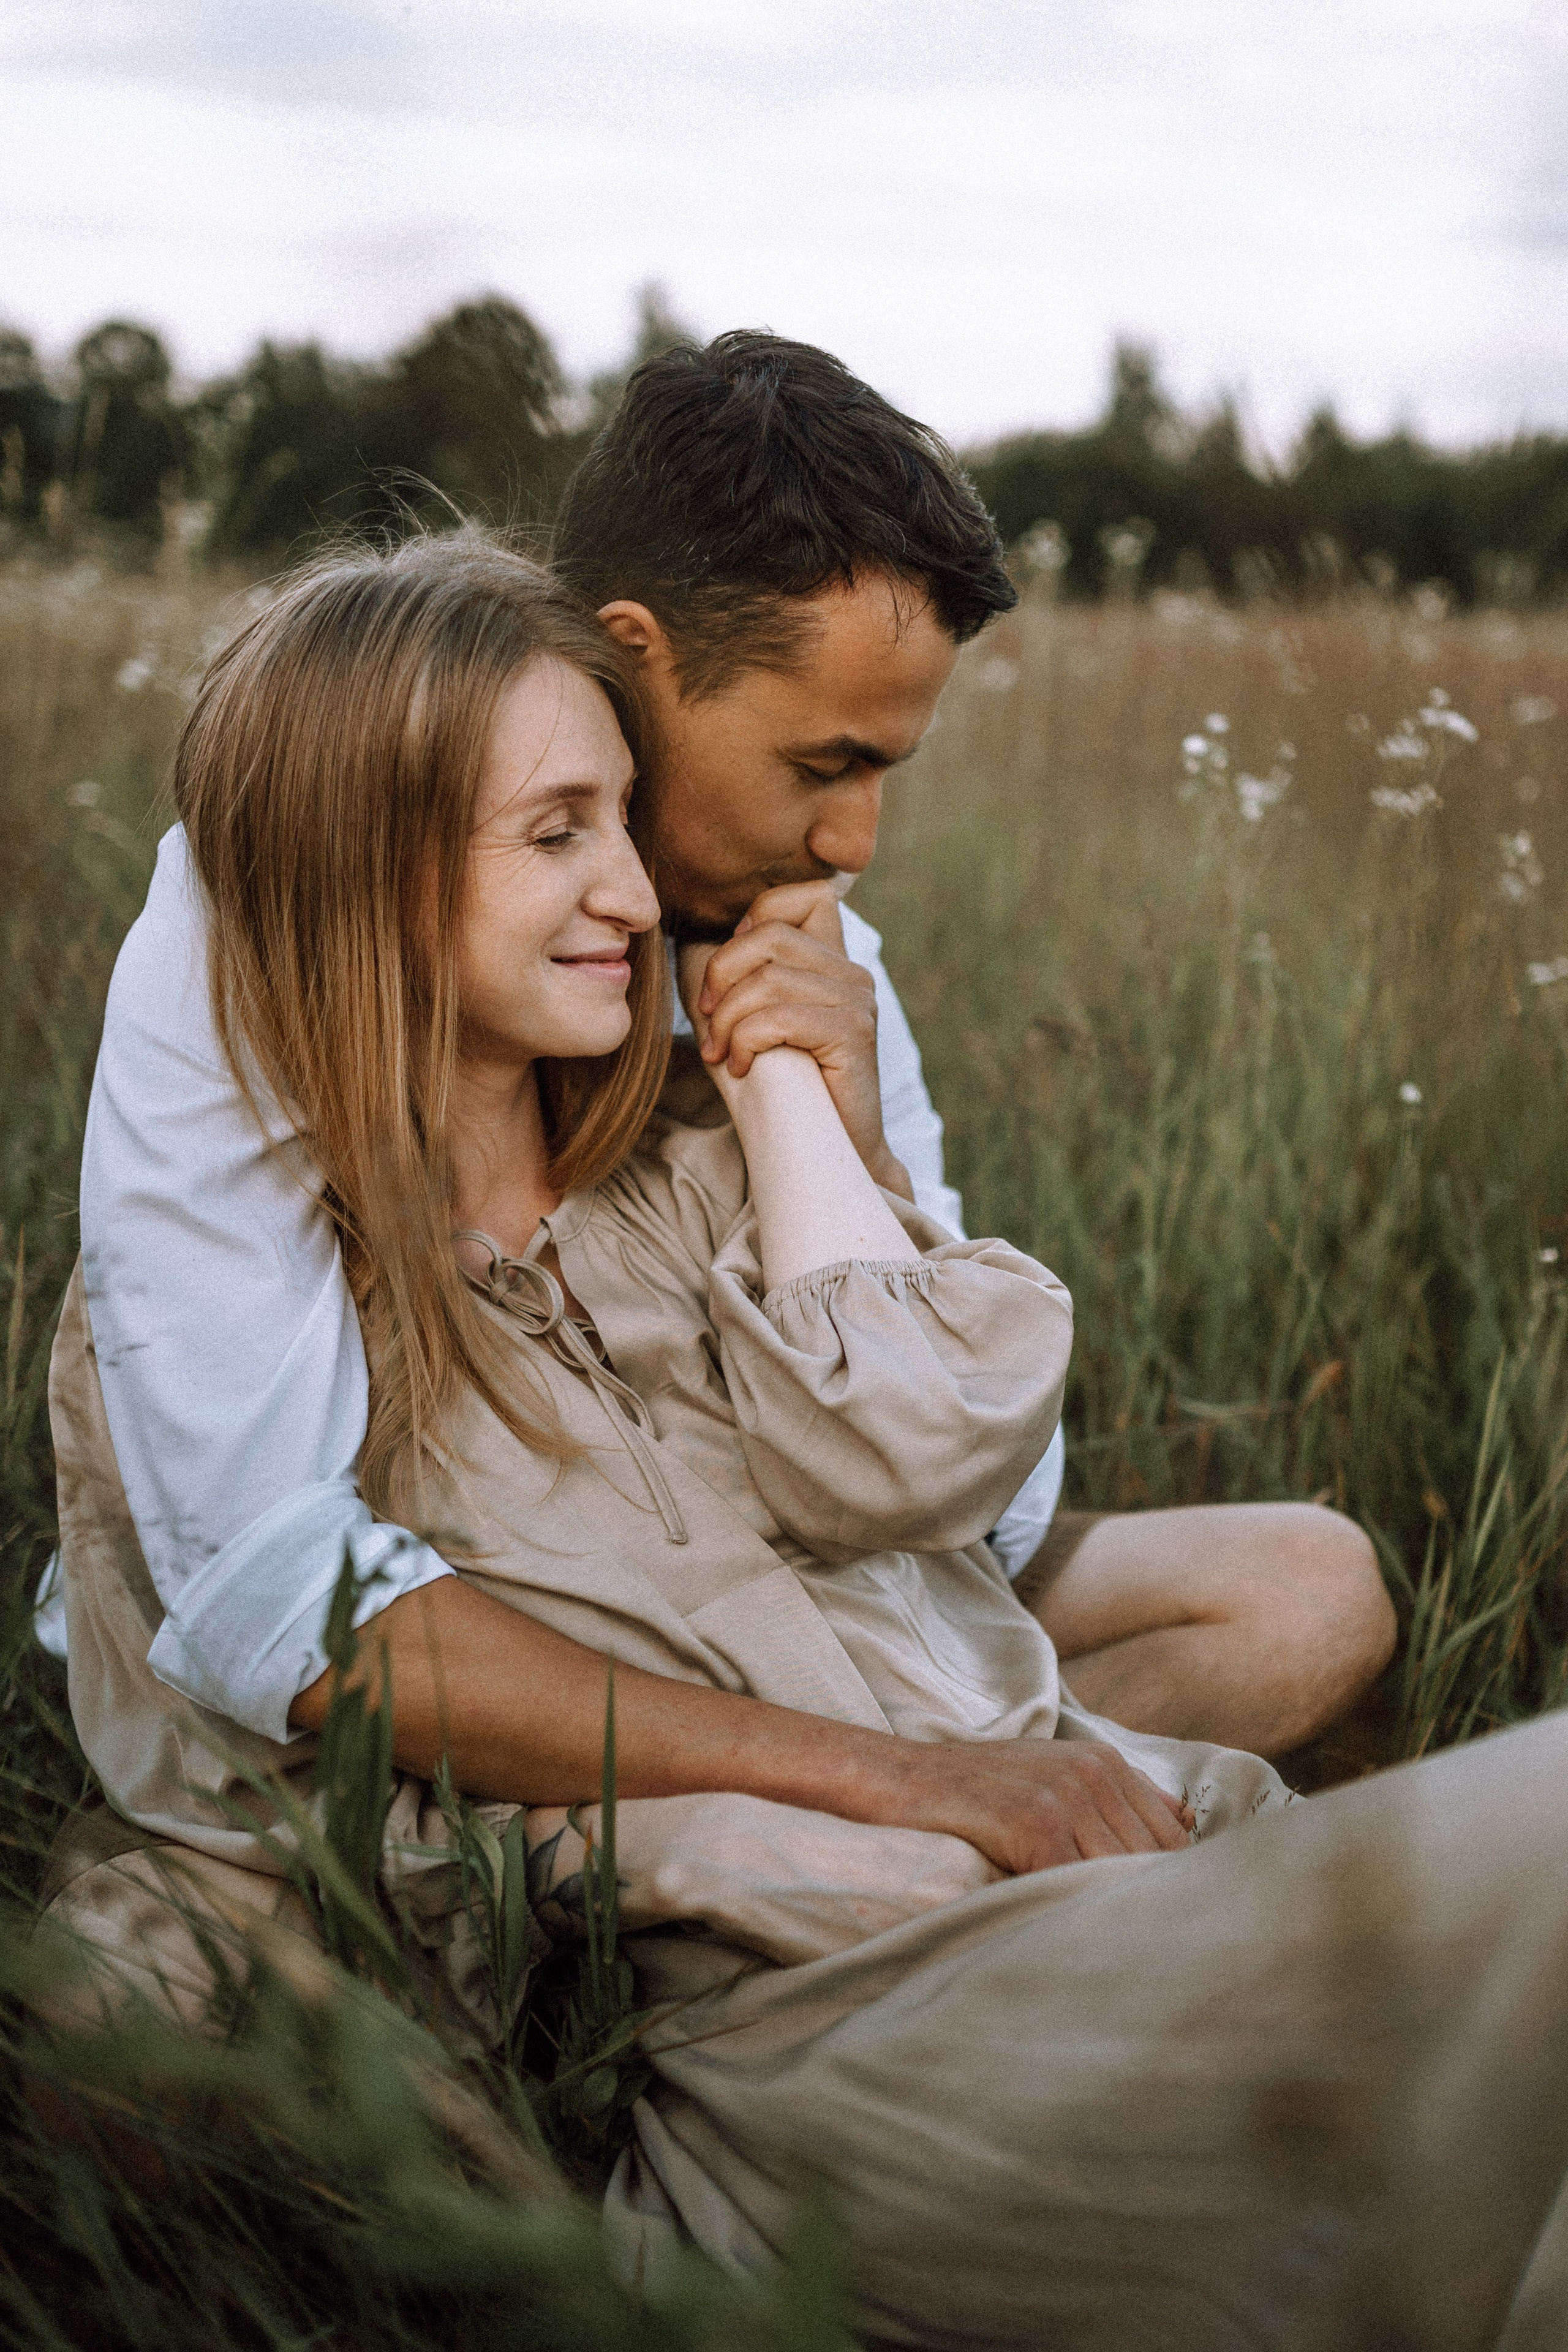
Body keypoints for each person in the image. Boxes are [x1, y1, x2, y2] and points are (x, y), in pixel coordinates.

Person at [46, 535, 1568, 2350]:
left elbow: (965, 1492)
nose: (636, 887)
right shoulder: (258, 1328)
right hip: (868, 2009)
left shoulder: (689, 1166)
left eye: (622, 816)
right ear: (362, 873)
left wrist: (801, 1101)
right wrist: (825, 1810)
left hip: (1133, 1865)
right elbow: (269, 1749)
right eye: (557, 833)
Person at [65, 330, 1392, 1764]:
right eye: (823, 765)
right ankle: (854, 1836)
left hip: (787, 1551)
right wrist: (876, 1779)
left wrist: (856, 1144)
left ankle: (968, 1815)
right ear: (638, 662)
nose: (855, 846)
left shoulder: (801, 945)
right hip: (500, 1600)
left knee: (1309, 1594)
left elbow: (974, 1509)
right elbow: (262, 1572)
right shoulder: (264, 912)